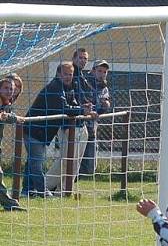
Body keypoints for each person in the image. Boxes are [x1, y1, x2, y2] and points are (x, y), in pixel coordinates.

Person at [22, 62, 92, 197]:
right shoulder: (55, 87)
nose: (68, 77)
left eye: (71, 74)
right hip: (34, 129)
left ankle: (27, 190)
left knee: (32, 161)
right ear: (58, 74)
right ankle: (42, 192)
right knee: (37, 163)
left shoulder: (68, 87)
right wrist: (81, 110)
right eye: (65, 74)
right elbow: (63, 108)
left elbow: (71, 104)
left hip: (42, 131)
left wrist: (83, 107)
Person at [45, 50, 97, 193]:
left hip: (82, 123)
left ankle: (65, 189)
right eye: (79, 58)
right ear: (73, 58)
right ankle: (43, 185)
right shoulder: (66, 80)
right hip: (69, 125)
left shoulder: (82, 77)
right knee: (66, 159)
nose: (82, 60)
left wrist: (88, 107)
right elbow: (65, 106)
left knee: (76, 161)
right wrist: (79, 112)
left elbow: (83, 99)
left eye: (85, 58)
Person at [79, 60, 112, 178]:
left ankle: (74, 179)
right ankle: (65, 184)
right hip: (80, 124)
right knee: (76, 157)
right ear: (93, 71)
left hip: (92, 126)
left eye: (105, 72)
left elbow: (102, 105)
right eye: (99, 71)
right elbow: (82, 101)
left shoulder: (104, 87)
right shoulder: (84, 82)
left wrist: (105, 106)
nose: (102, 74)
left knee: (90, 165)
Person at [0, 74, 25, 210]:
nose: (10, 91)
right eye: (6, 88)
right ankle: (9, 204)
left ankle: (9, 203)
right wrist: (12, 118)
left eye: (13, 88)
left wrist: (10, 117)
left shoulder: (6, 104)